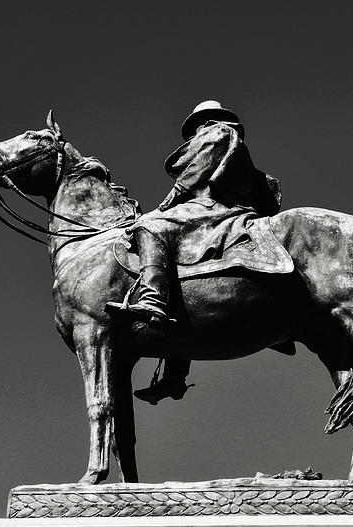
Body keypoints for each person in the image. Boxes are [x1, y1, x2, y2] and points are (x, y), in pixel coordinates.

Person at [108, 100, 282, 403]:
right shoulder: (233, 142)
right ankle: (174, 377)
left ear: (206, 120)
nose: (193, 132)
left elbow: (196, 171)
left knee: (149, 225)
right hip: (219, 207)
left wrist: (170, 199)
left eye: (195, 125)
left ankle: (151, 300)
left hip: (215, 209)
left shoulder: (218, 133)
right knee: (180, 282)